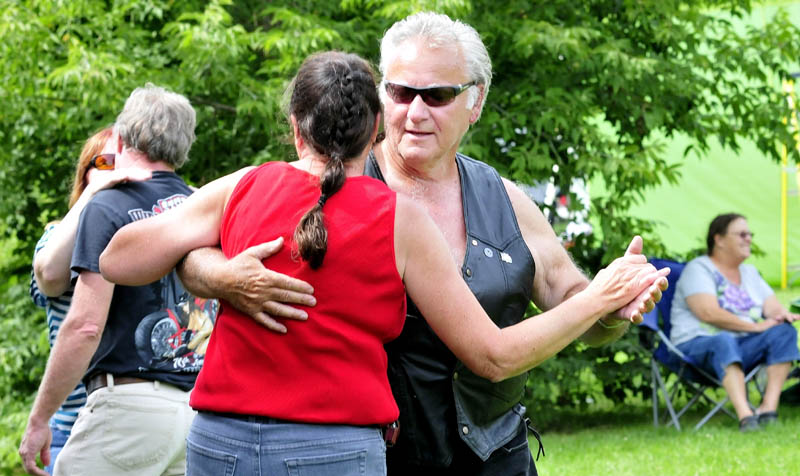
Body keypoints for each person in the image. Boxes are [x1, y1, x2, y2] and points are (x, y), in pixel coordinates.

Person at [98, 51, 668, 476]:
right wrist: (600, 295)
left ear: (294, 125)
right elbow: (493, 357)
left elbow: (117, 258)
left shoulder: (245, 187)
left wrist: (204, 268)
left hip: (218, 443)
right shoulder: (397, 219)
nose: (418, 111)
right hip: (333, 450)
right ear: (375, 129)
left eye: (438, 95)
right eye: (402, 94)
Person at [19, 84, 216, 476]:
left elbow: (85, 326)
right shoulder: (202, 205)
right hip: (197, 412)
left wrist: (40, 418)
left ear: (123, 138)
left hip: (128, 409)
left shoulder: (110, 205)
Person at [28, 126, 152, 474]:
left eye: (123, 163)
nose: (116, 172)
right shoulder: (56, 235)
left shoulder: (145, 233)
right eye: (104, 162)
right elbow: (50, 277)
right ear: (86, 173)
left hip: (134, 416)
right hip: (72, 417)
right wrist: (95, 193)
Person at [670, 213, 800, 432]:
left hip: (741, 346)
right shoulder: (698, 269)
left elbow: (772, 307)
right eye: (741, 234)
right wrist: (755, 327)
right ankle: (746, 417)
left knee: (784, 331)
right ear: (718, 239)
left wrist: (781, 315)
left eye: (750, 234)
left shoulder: (749, 273)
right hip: (696, 348)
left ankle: (768, 409)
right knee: (723, 340)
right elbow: (708, 313)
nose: (748, 238)